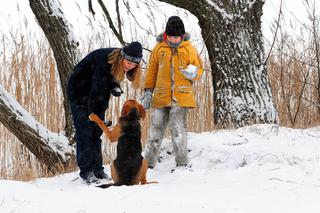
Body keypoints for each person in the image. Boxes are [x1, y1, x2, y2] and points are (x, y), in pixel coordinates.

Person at [67, 41, 143, 183]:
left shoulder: (119, 64)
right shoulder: (105, 61)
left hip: (95, 92)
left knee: (96, 133)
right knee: (85, 132)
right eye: (128, 62)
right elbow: (97, 90)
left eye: (134, 65)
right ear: (122, 57)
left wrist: (114, 86)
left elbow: (108, 80)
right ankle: (87, 172)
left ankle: (98, 170)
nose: (130, 66)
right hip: (79, 91)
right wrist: (93, 116)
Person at [141, 16, 203, 169]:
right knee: (155, 130)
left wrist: (193, 73)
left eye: (176, 37)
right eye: (170, 36)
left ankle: (182, 163)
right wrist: (148, 91)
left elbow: (199, 68)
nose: (173, 40)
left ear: (182, 36)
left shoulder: (189, 49)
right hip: (161, 96)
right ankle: (147, 165)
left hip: (181, 96)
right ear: (166, 34)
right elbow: (151, 72)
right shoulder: (159, 49)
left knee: (177, 128)